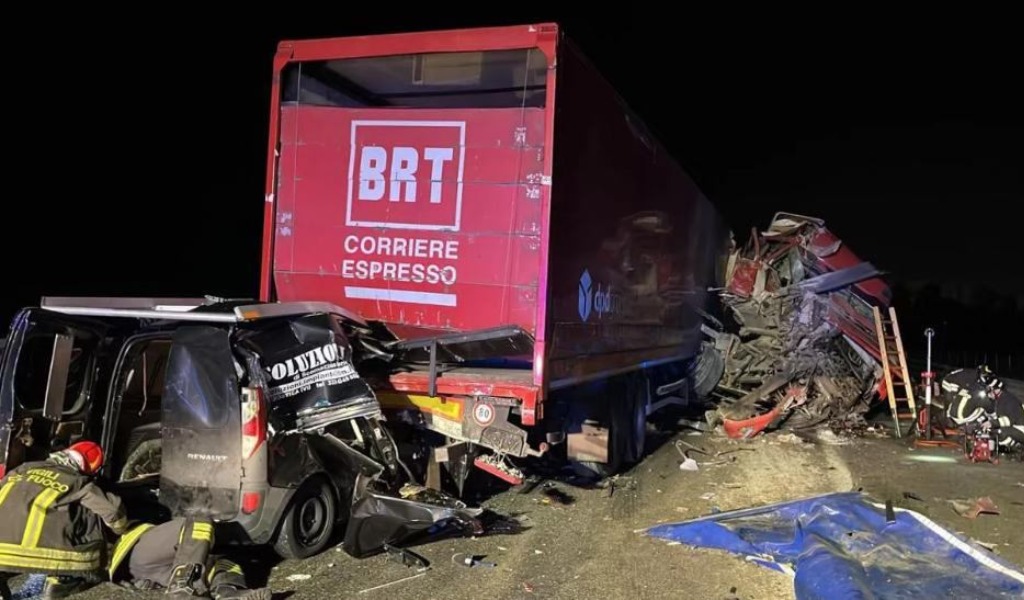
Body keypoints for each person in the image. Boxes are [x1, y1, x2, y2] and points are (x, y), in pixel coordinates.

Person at [0, 441, 127, 600]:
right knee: (87, 509)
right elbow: (112, 511)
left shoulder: (21, 470)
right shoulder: (78, 481)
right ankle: (64, 578)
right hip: (47, 554)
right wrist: (122, 531)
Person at [107, 515, 271, 600]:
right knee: (200, 519)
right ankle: (181, 586)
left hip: (148, 574)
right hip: (133, 551)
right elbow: (112, 512)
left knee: (219, 560)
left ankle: (228, 592)